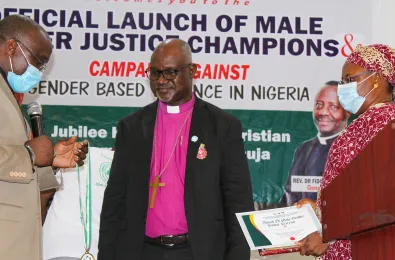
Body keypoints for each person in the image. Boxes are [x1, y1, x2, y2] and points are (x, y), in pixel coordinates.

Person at [98, 39, 254, 260]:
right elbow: (114, 200)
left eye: (170, 72)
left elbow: (238, 201)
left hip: (199, 252)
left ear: (192, 71)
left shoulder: (222, 126)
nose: (162, 81)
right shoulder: (131, 127)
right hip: (140, 251)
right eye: (155, 73)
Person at [295, 44, 395, 259]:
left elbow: (378, 198)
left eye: (349, 80)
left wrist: (326, 234)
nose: (343, 88)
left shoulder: (383, 121)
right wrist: (319, 208)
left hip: (362, 249)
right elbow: (353, 188)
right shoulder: (369, 122)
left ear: (376, 79)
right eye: (342, 82)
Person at [0, 14, 88, 260]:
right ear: (11, 47)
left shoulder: (6, 91)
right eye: (39, 62)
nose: (39, 73)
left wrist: (49, 161)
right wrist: (28, 153)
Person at [281, 81, 349, 206]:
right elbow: (289, 196)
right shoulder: (303, 149)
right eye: (319, 105)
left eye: (333, 106)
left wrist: (317, 208)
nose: (323, 112)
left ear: (347, 112)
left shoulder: (352, 148)